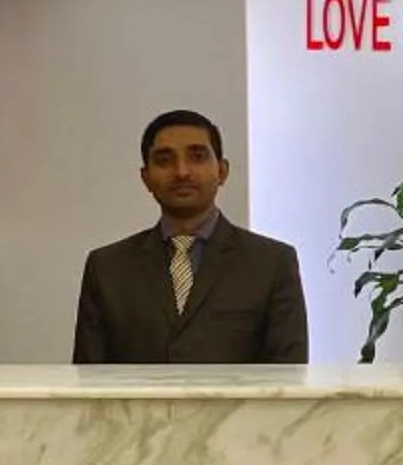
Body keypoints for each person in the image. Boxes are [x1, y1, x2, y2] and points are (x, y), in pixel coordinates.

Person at [72, 109, 309, 363]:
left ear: (222, 171)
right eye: (164, 160)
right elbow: (88, 383)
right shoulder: (107, 267)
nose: (182, 172)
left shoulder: (272, 263)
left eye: (197, 157)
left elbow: (288, 379)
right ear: (146, 178)